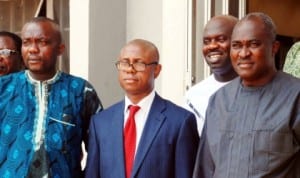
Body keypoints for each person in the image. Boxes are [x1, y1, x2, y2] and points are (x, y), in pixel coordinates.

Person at [193, 12, 300, 178]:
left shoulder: (295, 96)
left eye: (254, 44)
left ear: (274, 47)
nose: (243, 53)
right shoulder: (219, 101)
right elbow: (205, 169)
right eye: (236, 45)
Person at [0, 17, 103, 178]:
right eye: (26, 42)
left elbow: (100, 151)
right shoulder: (3, 88)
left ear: (60, 49)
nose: (33, 49)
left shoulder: (81, 91)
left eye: (42, 42)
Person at [85, 39, 199, 178]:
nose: (130, 69)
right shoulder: (101, 122)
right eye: (124, 63)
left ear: (156, 70)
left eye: (139, 63)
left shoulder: (180, 122)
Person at [184, 15, 238, 134]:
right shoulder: (193, 96)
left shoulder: (256, 89)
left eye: (221, 39)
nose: (212, 46)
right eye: (206, 42)